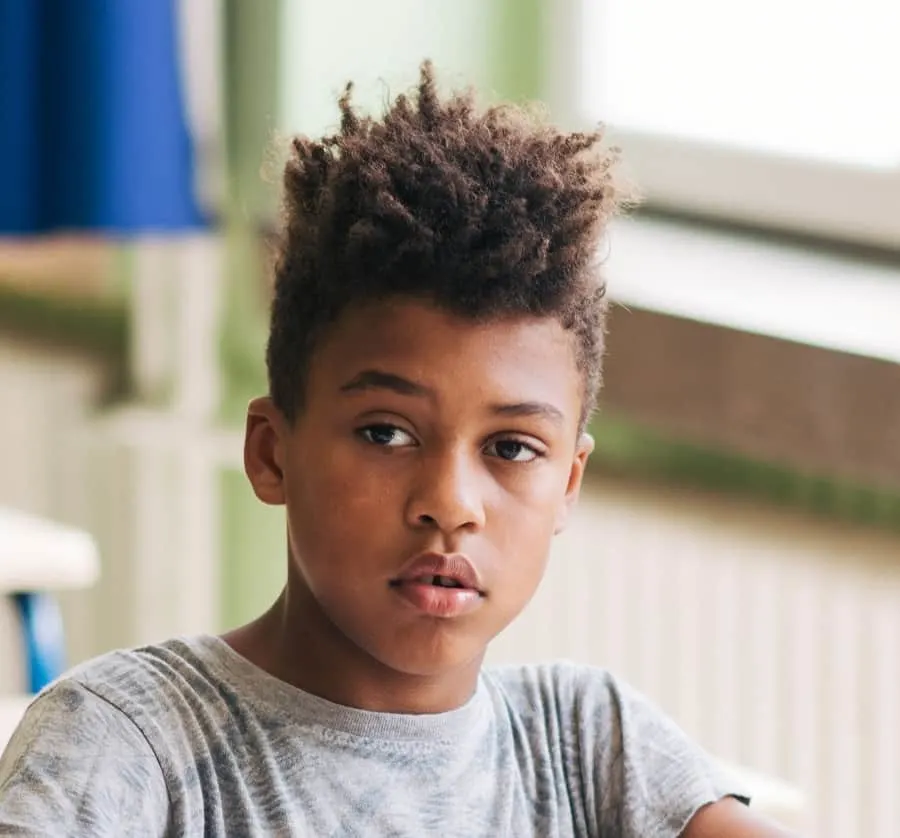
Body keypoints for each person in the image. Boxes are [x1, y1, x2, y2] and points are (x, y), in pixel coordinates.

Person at [0, 62, 792, 837]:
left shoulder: (588, 747)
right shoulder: (128, 746)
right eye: (386, 433)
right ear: (273, 453)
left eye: (512, 448)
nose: (449, 503)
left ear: (570, 484)